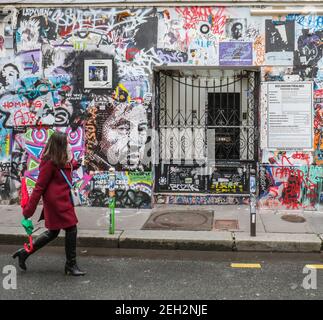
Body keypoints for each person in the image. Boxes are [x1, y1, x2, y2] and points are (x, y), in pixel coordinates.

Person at [12, 132, 86, 276]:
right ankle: (70, 265)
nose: (69, 144)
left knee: (54, 231)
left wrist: (78, 163)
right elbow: (39, 186)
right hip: (56, 202)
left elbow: (68, 166)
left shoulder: (62, 158)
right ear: (59, 145)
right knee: (71, 228)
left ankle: (24, 253)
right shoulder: (49, 161)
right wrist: (28, 211)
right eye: (66, 142)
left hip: (63, 199)